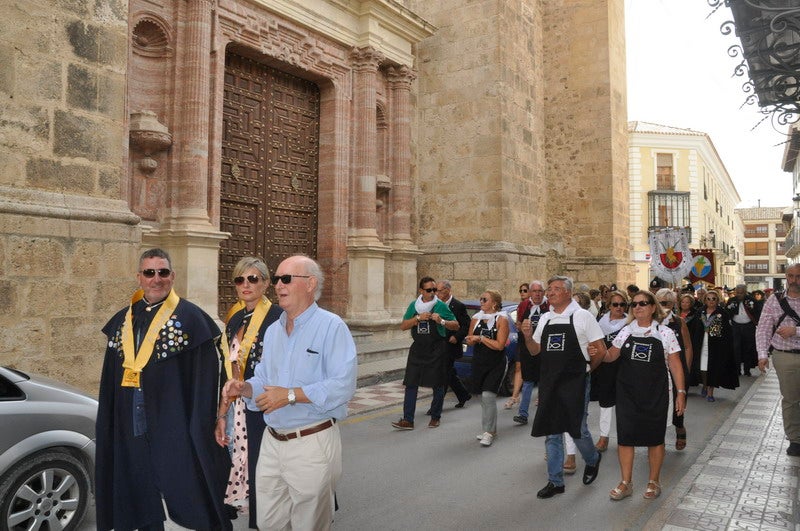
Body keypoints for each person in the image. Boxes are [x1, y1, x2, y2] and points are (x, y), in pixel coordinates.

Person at [95, 248, 232, 531]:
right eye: (149, 273)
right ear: (139, 277)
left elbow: (206, 381)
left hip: (174, 424)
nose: (156, 279)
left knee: (183, 488)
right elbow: (110, 377)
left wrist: (202, 424)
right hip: (131, 422)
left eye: (163, 272)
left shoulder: (191, 319)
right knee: (139, 490)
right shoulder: (123, 320)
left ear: (173, 276)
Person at [222, 255, 357, 530]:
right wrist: (244, 387)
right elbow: (264, 381)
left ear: (310, 284)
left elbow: (343, 385)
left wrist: (291, 395)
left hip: (312, 441)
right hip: (272, 443)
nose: (278, 286)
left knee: (308, 524)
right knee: (269, 523)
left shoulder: (332, 326)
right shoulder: (273, 331)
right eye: (277, 279)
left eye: (286, 279)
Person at [522, 275, 606, 499]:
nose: (549, 293)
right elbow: (534, 351)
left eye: (555, 289)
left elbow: (601, 348)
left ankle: (592, 458)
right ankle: (555, 481)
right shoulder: (546, 319)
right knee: (552, 432)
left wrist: (588, 369)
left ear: (568, 292)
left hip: (575, 382)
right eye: (549, 289)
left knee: (577, 428)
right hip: (550, 381)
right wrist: (528, 337)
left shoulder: (582, 316)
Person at [214, 257, 282, 528]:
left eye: (253, 278)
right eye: (240, 279)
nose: (246, 284)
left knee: (264, 469)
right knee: (241, 462)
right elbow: (227, 368)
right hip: (236, 406)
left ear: (266, 283)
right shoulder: (235, 317)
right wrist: (220, 414)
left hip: (263, 404)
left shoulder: (277, 318)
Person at [601, 290, 686, 501]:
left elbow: (675, 364)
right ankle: (626, 482)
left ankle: (653, 481)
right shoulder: (625, 331)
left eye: (643, 303)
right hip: (627, 393)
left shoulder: (665, 333)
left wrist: (681, 392)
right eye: (635, 304)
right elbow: (611, 355)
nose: (638, 307)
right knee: (625, 438)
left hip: (656, 393)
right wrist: (595, 348)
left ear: (653, 307)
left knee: (655, 439)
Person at [392, 276, 459, 430]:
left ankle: (435, 417)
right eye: (429, 290)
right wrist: (417, 318)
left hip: (437, 348)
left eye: (434, 290)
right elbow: (403, 326)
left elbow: (456, 325)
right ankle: (408, 420)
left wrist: (441, 321)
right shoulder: (413, 306)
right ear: (421, 290)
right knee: (410, 383)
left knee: (438, 384)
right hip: (418, 349)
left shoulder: (441, 306)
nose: (433, 293)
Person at [756, 263, 800, 457]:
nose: (794, 280)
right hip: (784, 356)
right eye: (790, 276)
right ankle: (795, 439)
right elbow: (764, 328)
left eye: (798, 276)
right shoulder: (775, 300)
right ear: (785, 277)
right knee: (790, 400)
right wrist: (762, 355)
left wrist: (795, 331)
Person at [465, 290, 510, 446]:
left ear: (494, 303)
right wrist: (470, 340)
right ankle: (492, 429)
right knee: (481, 397)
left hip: (496, 363)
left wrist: (481, 338)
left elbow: (499, 345)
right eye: (481, 299)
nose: (481, 301)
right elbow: (470, 339)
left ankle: (488, 432)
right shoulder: (476, 318)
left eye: (485, 299)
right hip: (479, 362)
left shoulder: (502, 319)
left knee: (488, 396)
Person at [656, 288, 694, 451]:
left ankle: (679, 427)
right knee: (659, 404)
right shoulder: (651, 321)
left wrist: (686, 368)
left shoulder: (679, 322)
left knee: (678, 401)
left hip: (676, 367)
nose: (665, 306)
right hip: (657, 370)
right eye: (661, 303)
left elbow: (687, 347)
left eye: (668, 303)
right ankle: (659, 438)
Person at [592, 290, 629, 453]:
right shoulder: (600, 323)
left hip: (625, 367)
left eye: (622, 304)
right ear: (609, 306)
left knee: (625, 403)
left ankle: (626, 436)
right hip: (606, 367)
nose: (619, 307)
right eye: (615, 304)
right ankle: (603, 437)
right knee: (606, 403)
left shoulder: (631, 323)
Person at [510, 280, 548, 424]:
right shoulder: (524, 305)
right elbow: (519, 324)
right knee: (528, 380)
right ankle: (523, 413)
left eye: (540, 291)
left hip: (545, 348)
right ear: (530, 293)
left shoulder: (550, 305)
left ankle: (544, 413)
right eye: (534, 291)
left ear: (543, 292)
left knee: (545, 380)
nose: (537, 294)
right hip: (527, 346)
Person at [435, 280, 472, 408]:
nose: (437, 293)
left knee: (444, 374)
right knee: (449, 374)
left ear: (448, 290)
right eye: (436, 291)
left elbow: (466, 325)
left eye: (440, 291)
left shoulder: (458, 306)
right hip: (438, 345)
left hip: (451, 346)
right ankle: (463, 395)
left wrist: (457, 337)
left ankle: (437, 405)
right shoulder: (436, 304)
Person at [697, 289, 738, 402]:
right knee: (703, 368)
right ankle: (704, 385)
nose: (711, 301)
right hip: (702, 344)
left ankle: (710, 392)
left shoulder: (723, 313)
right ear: (705, 300)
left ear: (717, 300)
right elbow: (695, 329)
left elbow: (728, 332)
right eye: (708, 299)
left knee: (713, 368)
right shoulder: (700, 312)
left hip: (716, 346)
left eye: (713, 299)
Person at [725, 284, 761, 376]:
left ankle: (747, 369)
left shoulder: (751, 300)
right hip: (735, 327)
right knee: (736, 348)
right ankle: (737, 370)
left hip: (748, 327)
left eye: (741, 293)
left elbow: (757, 313)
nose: (739, 295)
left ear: (745, 292)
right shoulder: (731, 300)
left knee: (748, 348)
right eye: (737, 293)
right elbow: (727, 312)